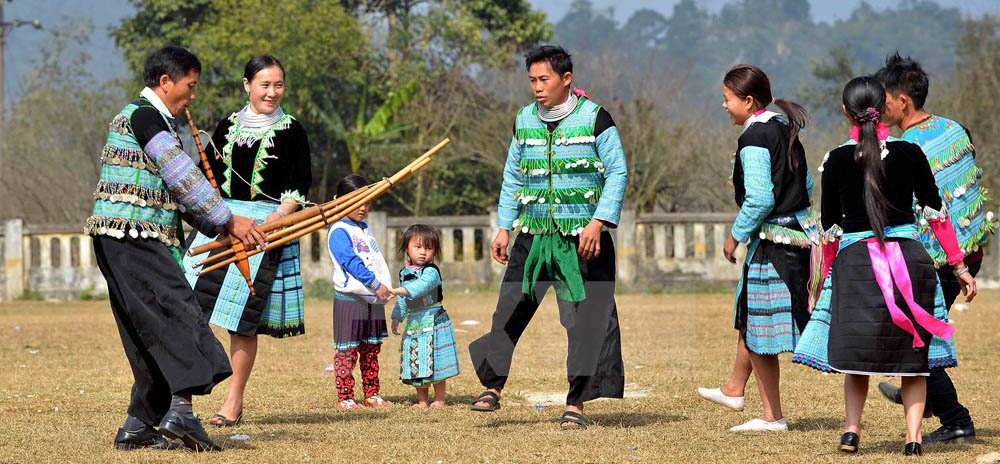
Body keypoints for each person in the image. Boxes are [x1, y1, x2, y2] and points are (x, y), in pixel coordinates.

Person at [85, 45, 265, 452]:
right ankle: (181, 413)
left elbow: (174, 196)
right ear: (165, 82)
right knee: (179, 315)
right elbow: (182, 175)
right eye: (190, 85)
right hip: (136, 238)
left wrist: (219, 227)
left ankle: (140, 423)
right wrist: (230, 219)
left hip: (120, 239)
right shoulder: (147, 117)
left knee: (146, 328)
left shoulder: (143, 119)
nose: (193, 95)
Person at [792, 76, 976, 456]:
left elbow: (829, 229)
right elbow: (937, 215)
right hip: (911, 261)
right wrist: (958, 266)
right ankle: (913, 440)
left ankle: (851, 432)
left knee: (858, 356)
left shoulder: (837, 159)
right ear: (884, 109)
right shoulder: (911, 154)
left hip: (857, 264)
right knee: (914, 358)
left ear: (846, 112)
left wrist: (825, 280)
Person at [468, 45, 627, 430]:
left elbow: (618, 173)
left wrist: (597, 223)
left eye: (545, 80)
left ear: (566, 79)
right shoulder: (523, 120)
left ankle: (577, 404)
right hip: (535, 234)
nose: (537, 88)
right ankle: (493, 386)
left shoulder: (595, 118)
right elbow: (513, 177)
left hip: (584, 240)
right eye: (532, 81)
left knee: (587, 321)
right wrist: (505, 226)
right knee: (509, 309)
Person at [180, 54, 312, 427]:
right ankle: (181, 395)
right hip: (221, 223)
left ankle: (232, 403)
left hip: (264, 230)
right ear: (247, 85)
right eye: (264, 85)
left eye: (279, 85)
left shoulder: (292, 130)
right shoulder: (225, 126)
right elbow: (204, 178)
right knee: (188, 306)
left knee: (242, 320)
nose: (272, 92)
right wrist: (213, 212)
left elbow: (299, 186)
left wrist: (277, 218)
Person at [872, 52, 993, 445]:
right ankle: (919, 391)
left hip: (938, 257)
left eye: (884, 100)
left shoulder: (904, 147)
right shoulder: (956, 129)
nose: (878, 107)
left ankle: (955, 418)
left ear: (902, 101)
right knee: (914, 333)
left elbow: (917, 210)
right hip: (967, 252)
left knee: (913, 339)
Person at [697, 64, 817, 432]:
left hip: (772, 243)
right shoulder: (783, 127)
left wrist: (735, 235)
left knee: (761, 329)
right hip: (797, 235)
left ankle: (772, 416)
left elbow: (760, 198)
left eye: (727, 99)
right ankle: (735, 388)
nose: (724, 106)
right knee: (751, 316)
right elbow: (808, 183)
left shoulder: (754, 139)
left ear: (748, 102)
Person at [326, 174, 394, 410]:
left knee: (370, 348)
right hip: (351, 299)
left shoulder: (363, 228)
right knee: (347, 350)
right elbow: (351, 263)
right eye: (357, 202)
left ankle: (372, 394)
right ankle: (345, 397)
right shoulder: (338, 230)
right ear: (341, 201)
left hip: (372, 301)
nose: (363, 207)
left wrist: (382, 286)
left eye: (367, 202)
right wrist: (376, 284)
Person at [388, 225, 460, 408]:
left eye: (428, 248)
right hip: (414, 323)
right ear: (407, 249)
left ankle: (440, 399)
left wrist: (399, 290)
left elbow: (420, 287)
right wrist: (397, 316)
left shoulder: (431, 272)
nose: (423, 252)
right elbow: (404, 300)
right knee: (417, 361)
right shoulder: (404, 273)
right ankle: (422, 401)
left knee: (435, 361)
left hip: (433, 320)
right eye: (417, 247)